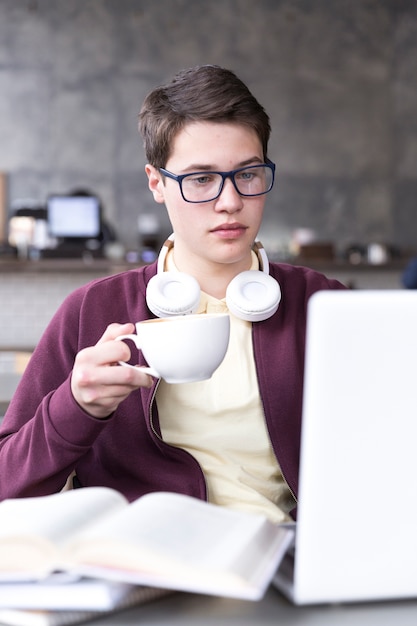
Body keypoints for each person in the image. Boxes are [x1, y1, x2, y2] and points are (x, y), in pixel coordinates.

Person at [0, 65, 345, 523]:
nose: (230, 202)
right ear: (157, 183)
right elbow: (7, 485)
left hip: (288, 560)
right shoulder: (93, 310)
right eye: (200, 179)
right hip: (148, 565)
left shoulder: (321, 305)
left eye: (249, 174)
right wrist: (76, 407)